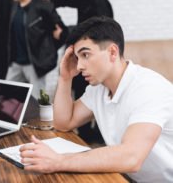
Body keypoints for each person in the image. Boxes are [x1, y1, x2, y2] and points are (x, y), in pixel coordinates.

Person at [19, 16, 173, 182]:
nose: (79, 66)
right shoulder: (98, 89)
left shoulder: (148, 88)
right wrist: (65, 78)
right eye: (77, 58)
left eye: (86, 55)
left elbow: (131, 157)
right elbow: (63, 122)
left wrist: (59, 161)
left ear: (112, 52)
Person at [49, 0, 114, 143]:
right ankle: (86, 134)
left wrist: (63, 34)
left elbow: (95, 37)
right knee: (80, 92)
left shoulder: (100, 3)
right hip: (84, 56)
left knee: (97, 95)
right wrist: (44, 0)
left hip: (96, 59)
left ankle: (96, 135)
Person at [6, 0, 68, 98]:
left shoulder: (43, 6)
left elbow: (63, 33)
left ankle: (46, 116)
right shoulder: (15, 5)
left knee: (40, 101)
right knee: (6, 97)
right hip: (15, 63)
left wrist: (46, 54)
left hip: (34, 65)